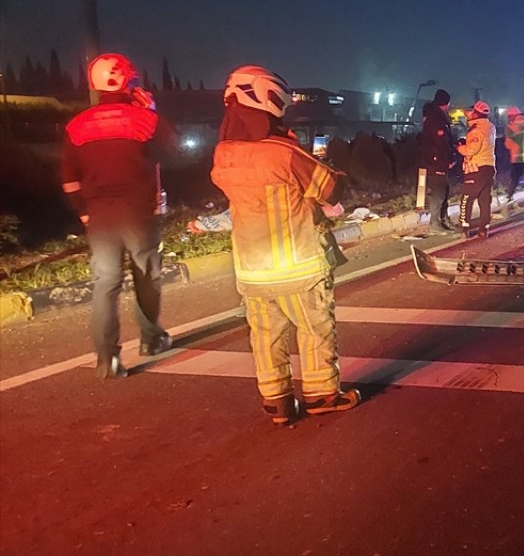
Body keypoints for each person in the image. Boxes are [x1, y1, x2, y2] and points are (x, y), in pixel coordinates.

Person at [210, 65, 360, 425]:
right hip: (298, 265)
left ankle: (276, 401)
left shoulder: (223, 154)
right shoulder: (283, 153)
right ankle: (322, 394)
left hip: (253, 270)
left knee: (266, 336)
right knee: (314, 330)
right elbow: (329, 188)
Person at [61, 53, 173, 379]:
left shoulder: (77, 125)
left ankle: (107, 359)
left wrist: (83, 213)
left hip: (98, 216)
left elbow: (69, 178)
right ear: (128, 81)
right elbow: (172, 149)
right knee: (146, 274)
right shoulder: (143, 120)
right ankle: (152, 339)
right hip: (138, 213)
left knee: (105, 284)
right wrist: (150, 110)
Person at [457, 100, 496, 237]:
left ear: (476, 113)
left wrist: (459, 147)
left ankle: (464, 227)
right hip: (489, 168)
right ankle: (483, 228)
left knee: (467, 198)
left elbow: (471, 150)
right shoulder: (490, 127)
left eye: (472, 111)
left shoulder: (477, 130)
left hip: (476, 169)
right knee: (484, 199)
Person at [417, 88, 455, 231]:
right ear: (445, 103)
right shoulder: (436, 119)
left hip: (440, 161)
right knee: (439, 192)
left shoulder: (437, 117)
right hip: (436, 161)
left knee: (445, 191)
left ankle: (444, 219)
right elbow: (440, 144)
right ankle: (434, 223)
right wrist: (446, 159)